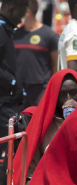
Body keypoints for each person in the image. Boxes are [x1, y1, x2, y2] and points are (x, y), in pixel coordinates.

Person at [12, 69, 77, 185]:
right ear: (55, 96)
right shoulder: (44, 124)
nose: (68, 99)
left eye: (74, 93)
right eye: (62, 94)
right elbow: (30, 170)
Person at [14, 0, 59, 108]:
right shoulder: (15, 34)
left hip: (40, 91)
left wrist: (51, 89)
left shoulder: (50, 36)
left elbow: (56, 64)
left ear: (28, 11)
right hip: (18, 90)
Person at [0, 0, 28, 160]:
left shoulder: (6, 29)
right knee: (6, 155)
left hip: (8, 100)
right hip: (4, 103)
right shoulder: (1, 29)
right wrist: (11, 81)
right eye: (21, 12)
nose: (22, 18)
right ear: (11, 9)